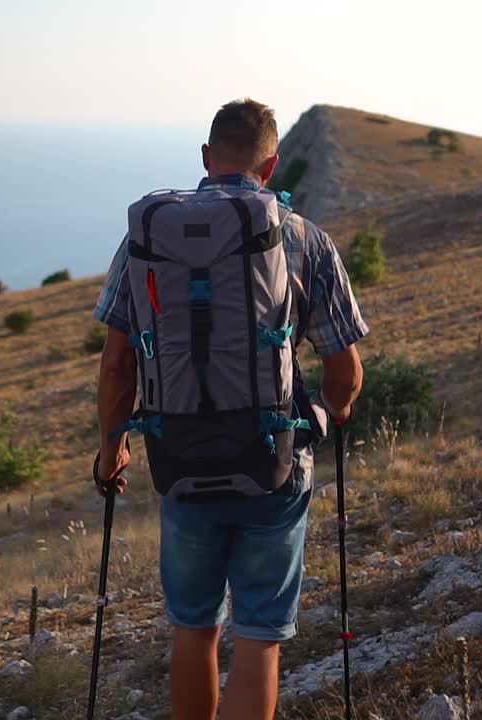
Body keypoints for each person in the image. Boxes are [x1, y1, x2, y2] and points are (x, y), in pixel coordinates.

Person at [93, 98, 367, 720]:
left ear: (206, 158)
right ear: (271, 166)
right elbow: (345, 372)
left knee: (194, 628)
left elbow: (115, 366)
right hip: (274, 459)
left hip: (180, 460)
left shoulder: (145, 240)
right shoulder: (302, 237)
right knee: (259, 637)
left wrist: (112, 450)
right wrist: (326, 416)